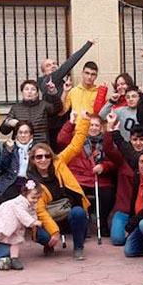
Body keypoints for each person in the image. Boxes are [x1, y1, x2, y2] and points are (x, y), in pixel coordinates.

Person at [29, 110, 93, 260]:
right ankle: (48, 244)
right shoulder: (31, 181)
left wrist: (84, 122)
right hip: (46, 217)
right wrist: (54, 232)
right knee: (41, 235)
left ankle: (78, 248)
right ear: (33, 160)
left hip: (66, 211)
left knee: (78, 212)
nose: (43, 160)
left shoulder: (59, 162)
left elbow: (75, 146)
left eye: (47, 156)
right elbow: (40, 211)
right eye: (39, 157)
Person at [57, 113, 117, 234]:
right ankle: (81, 224)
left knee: (108, 194)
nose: (93, 128)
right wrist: (71, 122)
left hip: (99, 179)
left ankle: (102, 223)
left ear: (101, 127)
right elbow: (61, 141)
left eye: (96, 125)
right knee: (74, 193)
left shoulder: (107, 141)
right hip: (79, 178)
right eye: (90, 125)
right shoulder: (77, 138)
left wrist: (104, 166)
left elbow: (114, 161)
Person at [108, 115, 143, 246]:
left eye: (141, 139)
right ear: (130, 139)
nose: (138, 143)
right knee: (117, 239)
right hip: (124, 209)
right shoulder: (123, 155)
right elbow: (108, 150)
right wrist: (109, 129)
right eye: (135, 139)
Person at [0, 79, 62, 146]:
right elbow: (3, 131)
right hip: (21, 145)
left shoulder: (44, 105)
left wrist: (53, 92)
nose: (29, 92)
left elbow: (58, 108)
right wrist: (8, 123)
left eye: (33, 89)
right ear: (22, 92)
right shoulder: (16, 108)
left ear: (37, 94)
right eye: (26, 89)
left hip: (40, 144)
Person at [0, 120, 35, 197]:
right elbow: (2, 167)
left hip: (30, 181)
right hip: (12, 181)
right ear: (16, 135)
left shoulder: (37, 148)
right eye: (20, 133)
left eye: (26, 133)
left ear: (31, 135)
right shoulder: (10, 146)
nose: (23, 135)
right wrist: (9, 152)